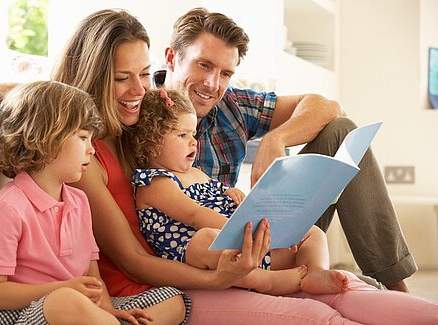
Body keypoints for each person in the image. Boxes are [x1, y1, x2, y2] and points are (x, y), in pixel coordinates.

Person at [0, 8, 438, 325]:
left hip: (217, 257)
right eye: (123, 78)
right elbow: (59, 97)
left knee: (344, 288)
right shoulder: (88, 155)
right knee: (318, 316)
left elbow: (324, 106)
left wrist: (277, 146)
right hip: (183, 274)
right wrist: (4, 90)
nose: (138, 88)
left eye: (142, 75)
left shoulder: (149, 112)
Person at [152, 7, 417, 293]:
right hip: (202, 251)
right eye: (204, 65)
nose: (213, 84)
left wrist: (275, 139)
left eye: (225, 72)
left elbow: (328, 106)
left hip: (258, 234)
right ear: (171, 57)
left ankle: (393, 285)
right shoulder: (141, 113)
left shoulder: (233, 105)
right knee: (357, 287)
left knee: (342, 130)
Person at [0, 80, 190, 325]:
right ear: (47, 138)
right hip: (16, 321)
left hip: (79, 313)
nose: (91, 150)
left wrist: (107, 309)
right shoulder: (7, 208)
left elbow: (93, 278)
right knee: (66, 303)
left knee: (174, 300)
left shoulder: (79, 201)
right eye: (83, 138)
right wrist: (61, 290)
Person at [130, 88, 349, 296]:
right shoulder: (155, 183)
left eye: (194, 134)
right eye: (182, 135)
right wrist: (250, 235)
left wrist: (233, 194)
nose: (193, 142)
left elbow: (222, 193)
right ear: (152, 143)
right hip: (208, 254)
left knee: (312, 232)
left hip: (246, 244)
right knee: (205, 239)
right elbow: (196, 216)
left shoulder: (197, 173)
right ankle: (265, 280)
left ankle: (316, 271)